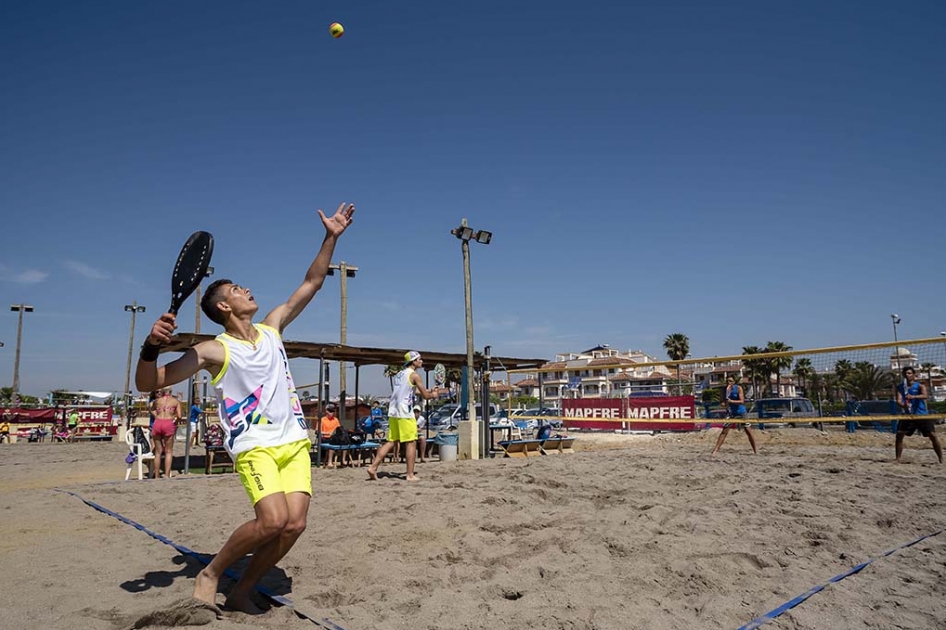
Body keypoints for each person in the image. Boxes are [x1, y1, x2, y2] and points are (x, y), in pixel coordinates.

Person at [134, 201, 353, 613]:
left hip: (292, 441)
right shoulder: (213, 349)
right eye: (237, 290)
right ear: (223, 307)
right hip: (255, 445)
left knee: (295, 525)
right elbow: (149, 383)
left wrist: (331, 238)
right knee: (271, 521)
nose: (246, 290)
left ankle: (242, 590)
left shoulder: (273, 328)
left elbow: (313, 282)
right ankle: (211, 573)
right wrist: (150, 348)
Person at [367, 351, 438, 481]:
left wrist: (428, 391)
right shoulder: (415, 375)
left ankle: (373, 467)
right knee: (411, 442)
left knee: (391, 441)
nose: (421, 361)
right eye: (419, 359)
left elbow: (411, 390)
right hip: (405, 412)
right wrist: (433, 394)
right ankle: (410, 474)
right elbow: (426, 396)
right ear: (414, 361)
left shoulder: (400, 374)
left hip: (394, 411)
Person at [895, 366, 943, 464]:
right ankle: (898, 458)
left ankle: (941, 459)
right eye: (905, 373)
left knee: (932, 435)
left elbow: (925, 396)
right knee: (899, 435)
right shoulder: (900, 387)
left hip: (921, 415)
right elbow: (898, 400)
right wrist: (904, 405)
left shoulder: (920, 386)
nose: (907, 375)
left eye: (909, 373)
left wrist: (914, 396)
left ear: (913, 375)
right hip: (908, 415)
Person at [711, 376, 758, 456]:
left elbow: (742, 401)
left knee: (748, 430)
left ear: (733, 382)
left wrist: (731, 401)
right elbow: (722, 402)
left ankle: (755, 451)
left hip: (741, 411)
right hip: (731, 412)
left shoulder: (738, 388)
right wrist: (724, 404)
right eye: (727, 381)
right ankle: (715, 451)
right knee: (724, 431)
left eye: (730, 381)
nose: (728, 382)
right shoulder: (724, 390)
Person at [151, 388, 182, 478]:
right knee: (168, 451)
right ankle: (167, 474)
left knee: (157, 452)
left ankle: (156, 475)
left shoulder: (157, 401)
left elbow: (152, 409)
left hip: (158, 422)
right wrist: (175, 422)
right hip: (168, 422)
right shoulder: (175, 401)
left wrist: (156, 416)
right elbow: (179, 416)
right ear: (171, 392)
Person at [319, 404, 349, 468]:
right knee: (331, 445)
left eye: (332, 411)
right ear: (326, 411)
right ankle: (330, 462)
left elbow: (339, 429)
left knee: (345, 442)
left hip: (335, 437)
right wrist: (328, 433)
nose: (331, 413)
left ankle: (343, 460)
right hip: (326, 438)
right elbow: (318, 431)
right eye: (330, 411)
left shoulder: (335, 420)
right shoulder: (322, 420)